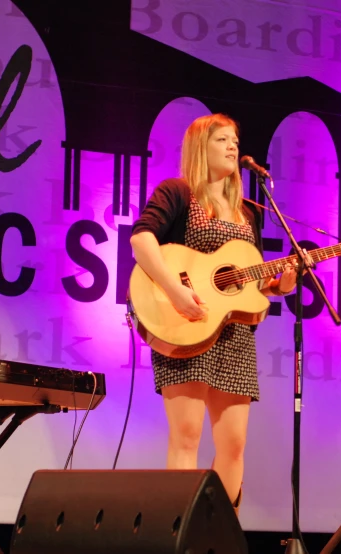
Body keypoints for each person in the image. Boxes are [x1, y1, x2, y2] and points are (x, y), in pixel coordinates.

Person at [130, 113, 297, 514]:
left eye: (235, 140)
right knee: (187, 437)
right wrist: (177, 291)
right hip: (184, 323)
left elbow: (245, 282)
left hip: (235, 335)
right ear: (200, 149)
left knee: (234, 445)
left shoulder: (249, 212)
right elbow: (141, 239)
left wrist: (279, 285)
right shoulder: (179, 193)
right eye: (222, 140)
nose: (233, 146)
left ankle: (220, 535)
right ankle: (179, 534)